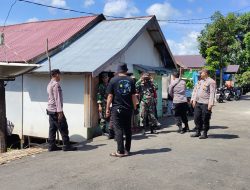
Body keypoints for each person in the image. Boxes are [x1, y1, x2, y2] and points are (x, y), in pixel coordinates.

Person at [106, 64, 138, 157]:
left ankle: (120, 151)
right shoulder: (131, 80)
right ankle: (127, 150)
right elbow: (133, 96)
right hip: (128, 109)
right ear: (126, 70)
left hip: (117, 109)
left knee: (118, 129)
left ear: (118, 70)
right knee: (128, 129)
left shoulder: (113, 80)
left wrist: (107, 108)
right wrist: (135, 108)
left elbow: (110, 96)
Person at [46, 69, 77, 151]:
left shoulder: (49, 84)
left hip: (50, 109)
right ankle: (67, 145)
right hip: (56, 110)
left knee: (52, 128)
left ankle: (51, 145)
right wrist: (60, 112)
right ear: (56, 75)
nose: (60, 76)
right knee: (63, 127)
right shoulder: (56, 85)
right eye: (59, 75)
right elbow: (57, 99)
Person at [191, 69, 216, 139]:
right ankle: (198, 131)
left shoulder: (211, 82)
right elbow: (196, 91)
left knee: (205, 118)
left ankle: (204, 133)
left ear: (205, 73)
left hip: (206, 103)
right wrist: (193, 100)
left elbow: (212, 93)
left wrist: (210, 104)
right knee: (196, 117)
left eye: (201, 73)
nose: (200, 74)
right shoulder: (200, 81)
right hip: (198, 103)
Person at [97, 72, 115, 139]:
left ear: (108, 78)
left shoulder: (110, 84)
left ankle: (111, 131)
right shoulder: (101, 86)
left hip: (110, 102)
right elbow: (99, 95)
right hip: (103, 103)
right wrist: (99, 105)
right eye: (104, 78)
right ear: (102, 79)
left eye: (106, 77)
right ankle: (103, 131)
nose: (105, 79)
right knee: (103, 117)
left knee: (111, 117)